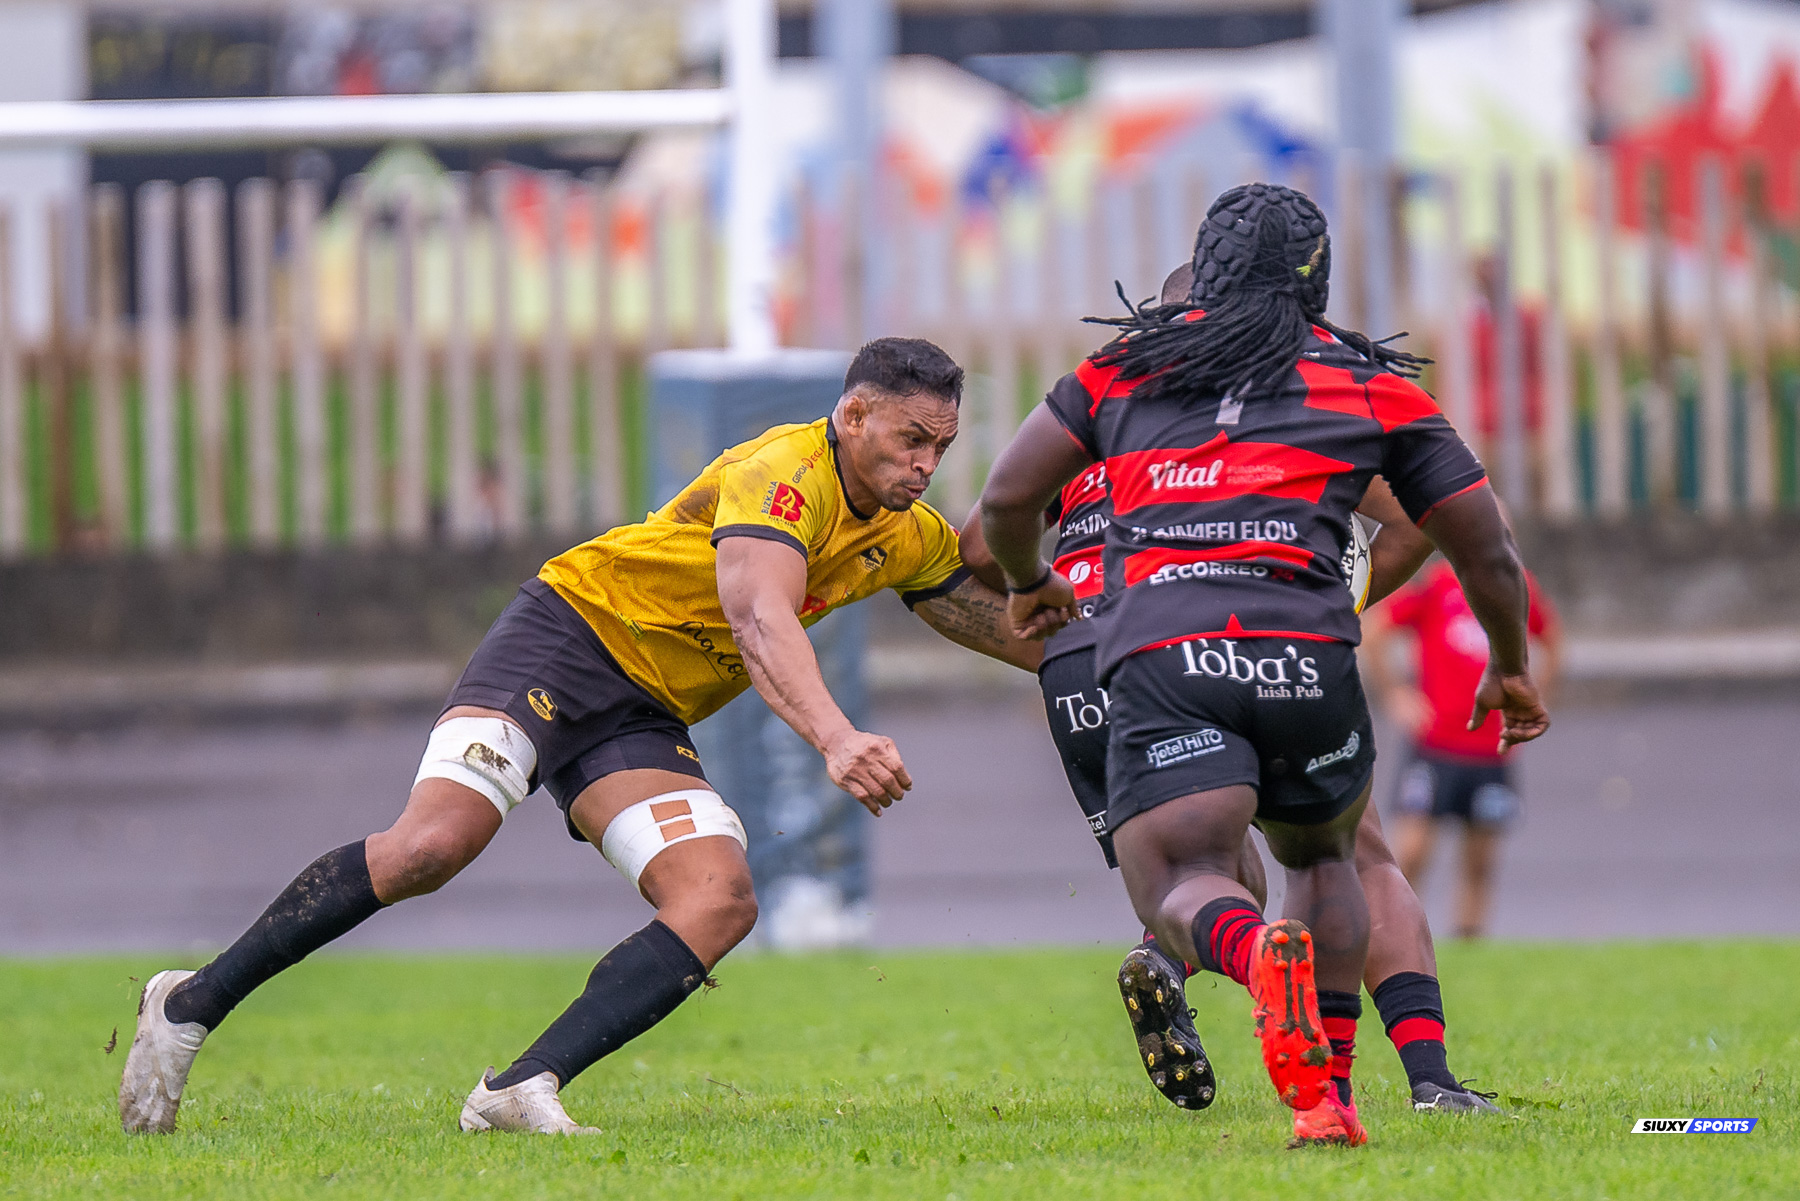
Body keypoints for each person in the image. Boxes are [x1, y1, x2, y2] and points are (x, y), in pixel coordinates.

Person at [119, 337, 1039, 1136]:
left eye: (942, 448)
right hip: (568, 635)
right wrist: (836, 737)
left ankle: (519, 1086)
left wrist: (1110, 657)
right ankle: (189, 1004)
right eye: (911, 439)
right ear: (852, 416)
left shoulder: (909, 535)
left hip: (640, 712)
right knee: (432, 846)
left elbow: (989, 615)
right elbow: (761, 617)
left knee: (717, 899)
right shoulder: (783, 471)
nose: (926, 465)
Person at [977, 183, 1549, 1147]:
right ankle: (1335, 1100)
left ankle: (1252, 952)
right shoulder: (1369, 383)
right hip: (1308, 655)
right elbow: (1485, 544)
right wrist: (1511, 666)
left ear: (1204, 271)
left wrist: (1034, 579)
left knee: (1187, 874)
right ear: (1317, 279)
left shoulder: (1123, 371)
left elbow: (1004, 496)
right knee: (1329, 858)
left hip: (1163, 652)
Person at [1363, 557, 1561, 938]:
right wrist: (1395, 695)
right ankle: (1396, 937)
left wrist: (1535, 699)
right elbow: (1375, 631)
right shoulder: (1436, 585)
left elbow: (1553, 640)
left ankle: (1470, 944)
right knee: (1411, 854)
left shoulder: (1519, 588)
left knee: (1480, 862)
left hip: (1491, 749)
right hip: (1435, 746)